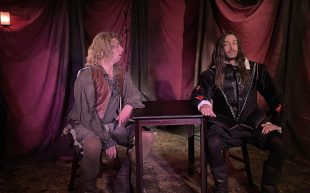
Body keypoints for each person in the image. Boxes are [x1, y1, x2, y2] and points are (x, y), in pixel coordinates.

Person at [191, 32, 287, 193]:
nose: (231, 46)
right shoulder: (211, 74)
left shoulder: (256, 70)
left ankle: (269, 188)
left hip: (254, 125)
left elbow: (275, 95)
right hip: (225, 127)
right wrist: (204, 104)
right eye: (226, 44)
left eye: (234, 43)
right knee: (212, 143)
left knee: (280, 144)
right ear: (221, 49)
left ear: (239, 47)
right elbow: (199, 93)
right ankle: (221, 188)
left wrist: (276, 122)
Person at [68, 32, 155, 193]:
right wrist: (107, 140)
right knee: (94, 145)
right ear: (104, 49)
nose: (122, 49)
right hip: (86, 125)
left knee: (147, 137)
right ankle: (87, 189)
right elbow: (87, 114)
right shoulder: (87, 74)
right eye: (116, 46)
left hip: (112, 124)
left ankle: (123, 179)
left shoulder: (120, 73)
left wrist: (129, 105)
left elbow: (134, 95)